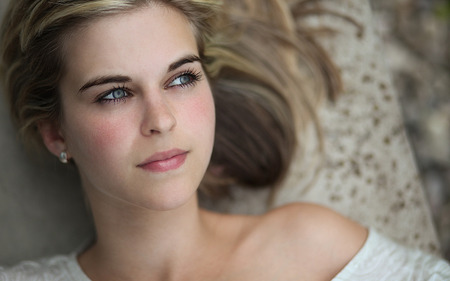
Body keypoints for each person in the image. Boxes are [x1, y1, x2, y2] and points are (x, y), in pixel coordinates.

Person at [0, 0, 448, 280]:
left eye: (180, 79)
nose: (161, 120)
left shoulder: (314, 250)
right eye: (115, 93)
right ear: (56, 132)